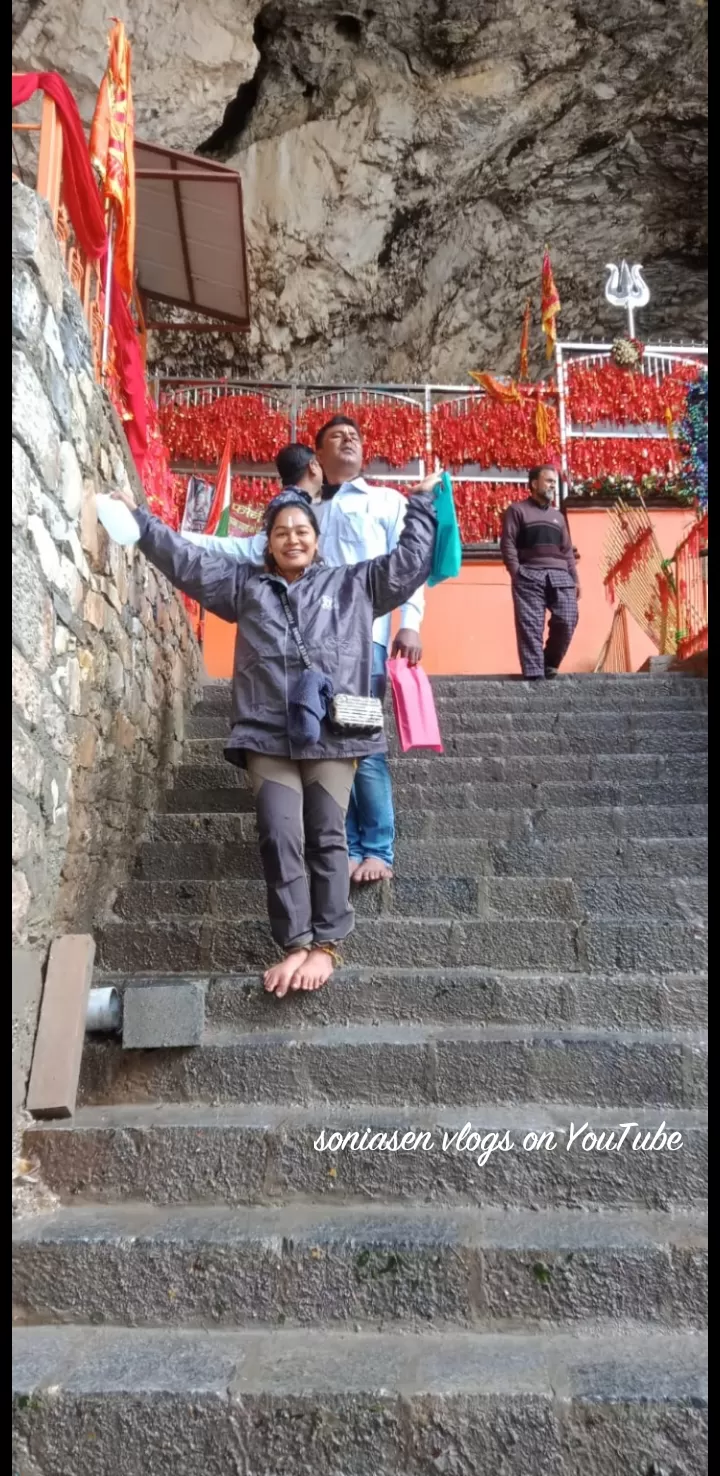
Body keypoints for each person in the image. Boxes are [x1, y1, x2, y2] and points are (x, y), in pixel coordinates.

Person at [110, 475, 439, 997]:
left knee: (327, 834)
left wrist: (420, 504)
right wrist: (140, 521)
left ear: (317, 537)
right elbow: (185, 559)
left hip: (334, 733)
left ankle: (326, 945)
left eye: (302, 529)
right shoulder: (244, 587)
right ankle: (294, 944)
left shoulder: (356, 584)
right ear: (268, 542)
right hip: (266, 732)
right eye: (281, 531)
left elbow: (410, 560)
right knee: (279, 834)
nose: (292, 538)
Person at [181, 417, 427, 886]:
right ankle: (347, 845)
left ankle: (377, 846)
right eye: (337, 435)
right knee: (322, 743)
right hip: (308, 653)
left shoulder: (388, 502)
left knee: (361, 744)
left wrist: (410, 623)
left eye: (355, 433)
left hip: (366, 645)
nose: (349, 438)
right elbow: (241, 551)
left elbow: (408, 565)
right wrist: (164, 535)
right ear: (317, 457)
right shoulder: (305, 516)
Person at [500, 465, 581, 681]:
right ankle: (535, 676)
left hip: (561, 576)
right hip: (530, 575)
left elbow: (567, 550)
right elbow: (508, 543)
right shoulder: (517, 511)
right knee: (530, 626)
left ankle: (549, 663)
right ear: (534, 484)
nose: (553, 485)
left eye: (555, 482)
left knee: (568, 618)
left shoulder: (559, 517)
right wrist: (516, 572)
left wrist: (575, 580)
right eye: (548, 481)